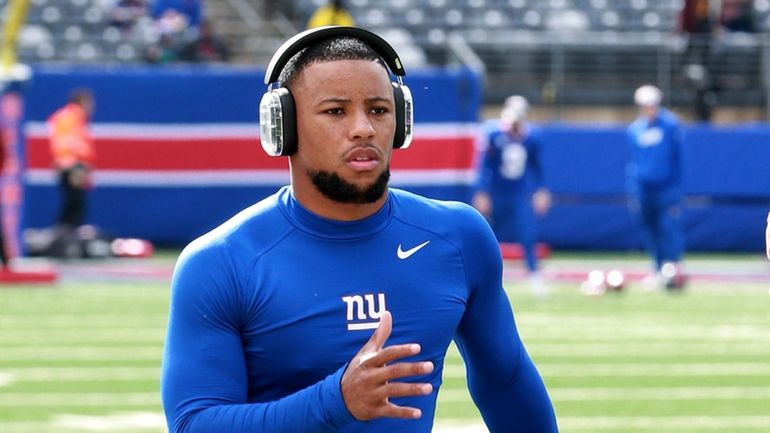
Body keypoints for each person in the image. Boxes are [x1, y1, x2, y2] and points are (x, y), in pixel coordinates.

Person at [161, 26, 558, 433]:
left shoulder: (458, 238)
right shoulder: (221, 261)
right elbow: (194, 424)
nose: (363, 128)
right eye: (336, 111)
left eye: (379, 110)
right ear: (283, 127)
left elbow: (506, 384)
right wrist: (335, 402)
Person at [472, 95, 551, 295]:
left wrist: (541, 190)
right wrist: (482, 191)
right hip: (496, 192)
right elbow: (483, 165)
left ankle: (534, 275)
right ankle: (483, 277)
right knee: (487, 235)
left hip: (518, 193)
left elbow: (537, 166)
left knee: (527, 233)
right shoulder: (492, 132)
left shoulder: (532, 136)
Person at [626, 84, 687, 290]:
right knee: (649, 229)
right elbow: (634, 162)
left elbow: (678, 159)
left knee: (669, 227)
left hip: (666, 188)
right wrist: (633, 190)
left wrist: (676, 189)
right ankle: (658, 268)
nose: (649, 108)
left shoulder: (670, 125)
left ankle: (675, 268)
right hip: (644, 189)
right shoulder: (635, 129)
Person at [46, 88, 96, 229]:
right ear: (81, 102)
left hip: (71, 165)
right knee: (74, 204)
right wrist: (76, 167)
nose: (91, 107)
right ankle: (64, 238)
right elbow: (68, 143)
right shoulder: (70, 118)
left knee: (73, 203)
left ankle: (64, 237)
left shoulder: (71, 117)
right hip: (72, 166)